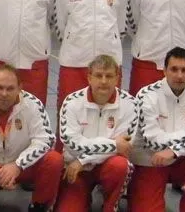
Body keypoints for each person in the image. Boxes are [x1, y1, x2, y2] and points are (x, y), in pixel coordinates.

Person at [53, 0, 127, 150]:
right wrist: (77, 44)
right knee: (69, 116)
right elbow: (61, 26)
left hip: (108, 66)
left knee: (109, 118)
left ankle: (106, 160)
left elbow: (121, 26)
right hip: (74, 64)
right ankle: (64, 161)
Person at [0, 64, 62, 212]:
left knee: (54, 160)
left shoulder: (33, 105)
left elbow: (45, 140)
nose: (4, 94)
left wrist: (18, 165)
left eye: (10, 88)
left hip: (24, 167)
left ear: (20, 87)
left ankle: (38, 206)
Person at [128, 47, 185, 212]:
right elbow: (153, 140)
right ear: (164, 71)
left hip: (182, 159)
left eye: (184, 70)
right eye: (174, 69)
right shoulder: (146, 95)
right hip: (152, 160)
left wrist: (175, 151)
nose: (179, 75)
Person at [55, 55, 136, 211]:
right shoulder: (71, 102)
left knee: (120, 165)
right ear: (89, 77)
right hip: (76, 170)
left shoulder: (130, 104)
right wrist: (114, 144)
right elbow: (72, 144)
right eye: (99, 75)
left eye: (109, 76)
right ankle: (82, 198)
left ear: (117, 78)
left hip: (102, 165)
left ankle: (110, 206)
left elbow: (124, 147)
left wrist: (83, 160)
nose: (104, 81)